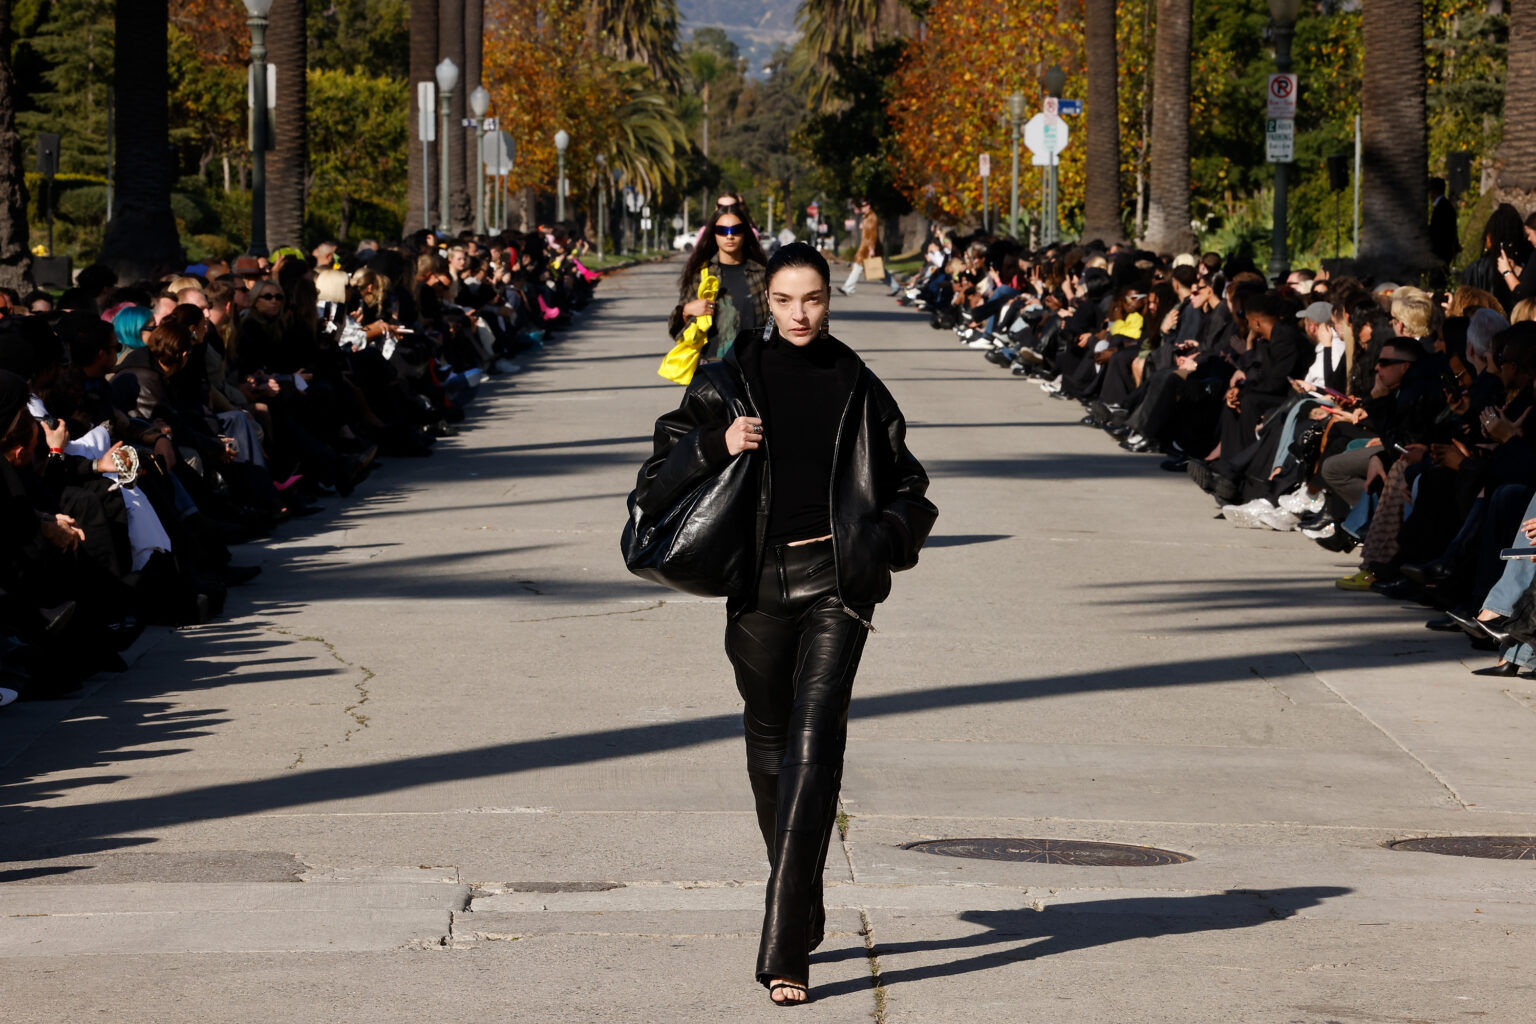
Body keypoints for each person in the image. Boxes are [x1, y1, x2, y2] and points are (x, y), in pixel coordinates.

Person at [634, 242, 937, 1005]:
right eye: (785, 300)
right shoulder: (730, 379)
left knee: (813, 745)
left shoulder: (857, 383)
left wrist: (877, 541)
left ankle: (784, 950)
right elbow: (654, 482)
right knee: (769, 747)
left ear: (830, 299)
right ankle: (803, 897)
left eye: (813, 299)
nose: (800, 314)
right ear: (765, 303)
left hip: (838, 585)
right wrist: (718, 442)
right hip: (758, 586)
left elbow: (911, 488)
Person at [667, 206, 768, 361]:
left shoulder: (761, 275)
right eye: (722, 230)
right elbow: (677, 332)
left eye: (736, 230)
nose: (730, 236)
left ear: (745, 233)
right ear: (714, 234)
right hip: (711, 366)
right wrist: (686, 312)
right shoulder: (701, 274)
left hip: (752, 365)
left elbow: (773, 323)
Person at [837, 198, 890, 296]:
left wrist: (871, 248)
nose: (862, 208)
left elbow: (873, 234)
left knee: (876, 269)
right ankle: (848, 288)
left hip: (867, 248)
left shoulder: (872, 217)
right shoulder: (866, 217)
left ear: (868, 206)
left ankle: (848, 288)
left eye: (864, 206)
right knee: (864, 268)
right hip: (865, 247)